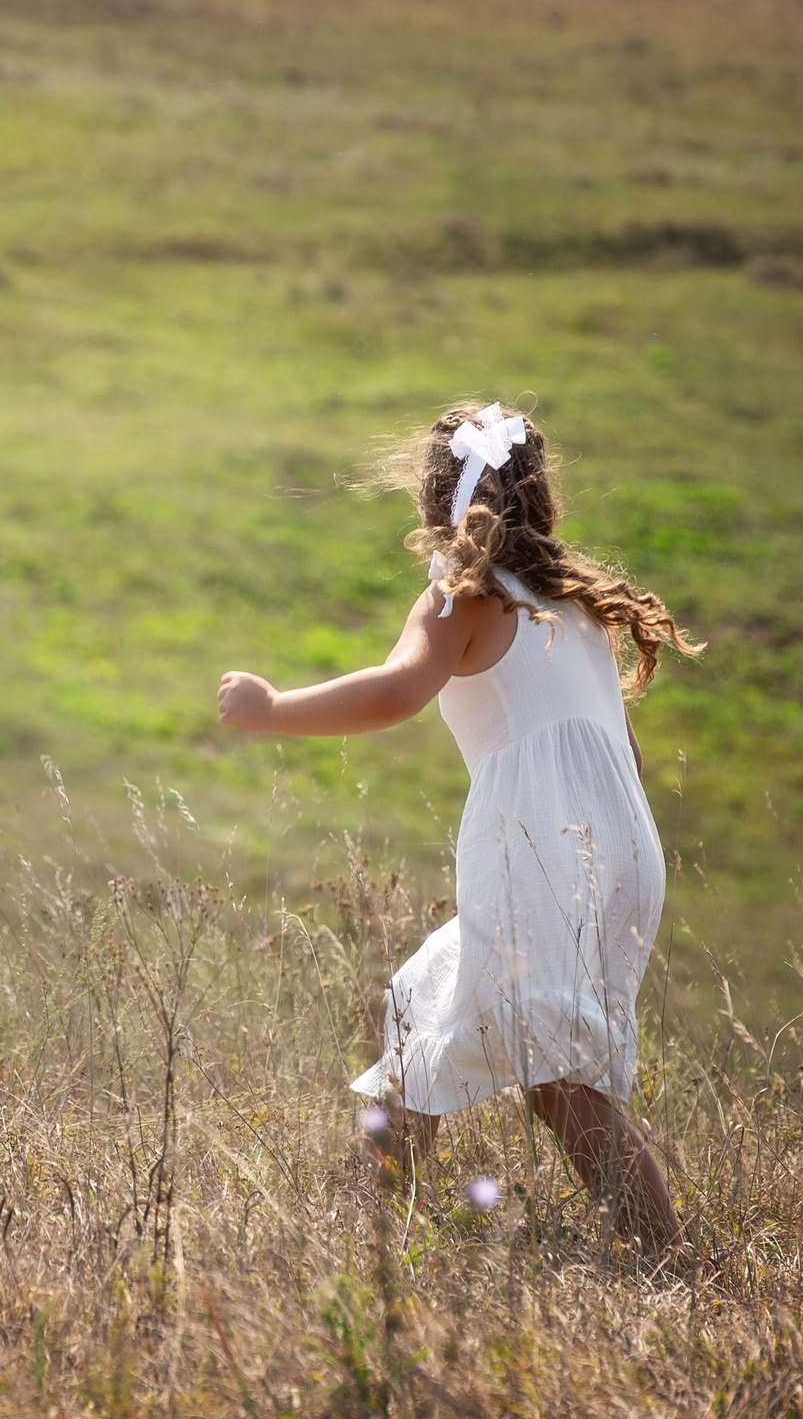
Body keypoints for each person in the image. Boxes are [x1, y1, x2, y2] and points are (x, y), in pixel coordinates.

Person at [216, 401, 702, 1252]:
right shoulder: (571, 606)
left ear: (440, 503)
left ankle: (673, 1264)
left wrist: (272, 709)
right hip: (618, 847)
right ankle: (366, 1230)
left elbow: (397, 690)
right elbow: (618, 746)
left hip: (541, 848)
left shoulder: (462, 594)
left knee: (557, 1077)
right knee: (419, 1009)